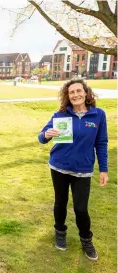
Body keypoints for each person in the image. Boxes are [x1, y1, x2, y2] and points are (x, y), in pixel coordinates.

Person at [38, 79, 108, 261]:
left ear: (86, 93)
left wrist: (103, 169)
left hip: (83, 170)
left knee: (81, 208)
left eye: (79, 91)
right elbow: (41, 137)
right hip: (59, 167)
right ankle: (60, 232)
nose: (75, 95)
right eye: (71, 92)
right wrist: (46, 135)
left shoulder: (98, 115)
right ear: (67, 96)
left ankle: (86, 240)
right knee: (60, 203)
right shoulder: (60, 115)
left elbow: (101, 143)